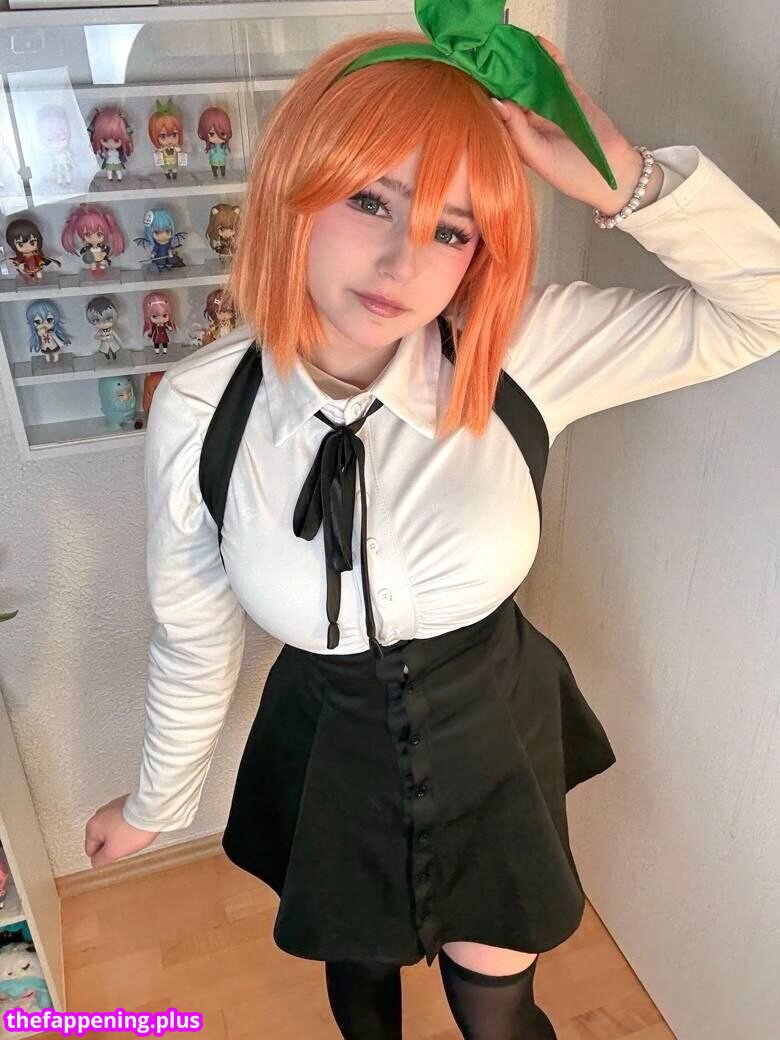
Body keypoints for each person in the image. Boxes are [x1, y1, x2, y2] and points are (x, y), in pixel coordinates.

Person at [84, 9, 779, 1040]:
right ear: (297, 184)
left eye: (452, 229)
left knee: (498, 1004)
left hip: (491, 726)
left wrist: (621, 177)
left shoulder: (516, 354)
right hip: (330, 744)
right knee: (360, 974)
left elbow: (763, 304)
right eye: (371, 198)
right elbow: (193, 632)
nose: (403, 260)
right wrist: (153, 803)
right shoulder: (201, 408)